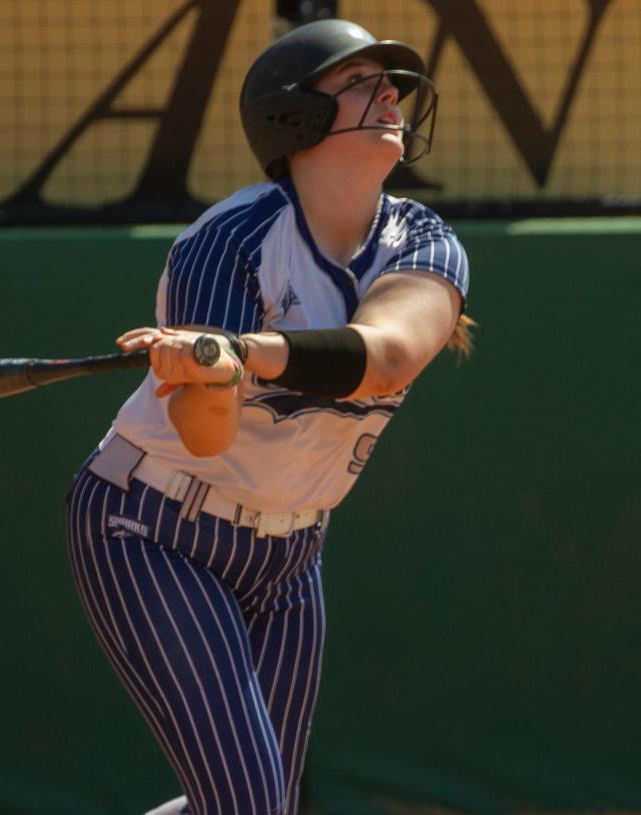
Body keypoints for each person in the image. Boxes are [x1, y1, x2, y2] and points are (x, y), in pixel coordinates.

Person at [65, 18, 473, 815]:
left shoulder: (424, 240)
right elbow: (205, 437)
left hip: (290, 552)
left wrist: (242, 351)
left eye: (387, 81)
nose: (389, 93)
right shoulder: (229, 240)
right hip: (150, 527)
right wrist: (204, 377)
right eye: (359, 81)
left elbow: (385, 356)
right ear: (296, 117)